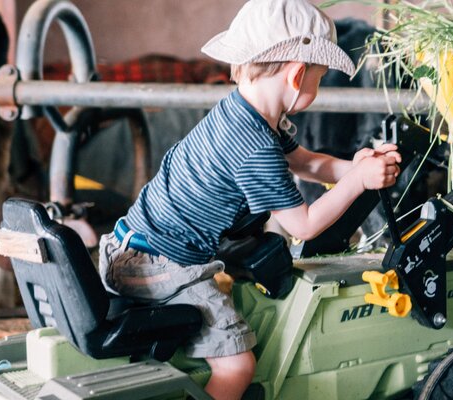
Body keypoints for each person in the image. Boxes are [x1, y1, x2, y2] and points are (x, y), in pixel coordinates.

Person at [95, 1, 400, 399]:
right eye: (320, 77)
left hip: (133, 246)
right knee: (238, 364)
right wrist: (358, 182)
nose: (318, 86)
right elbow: (303, 225)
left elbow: (306, 163)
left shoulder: (245, 113)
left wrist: (353, 166)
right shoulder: (254, 145)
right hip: (157, 264)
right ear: (296, 75)